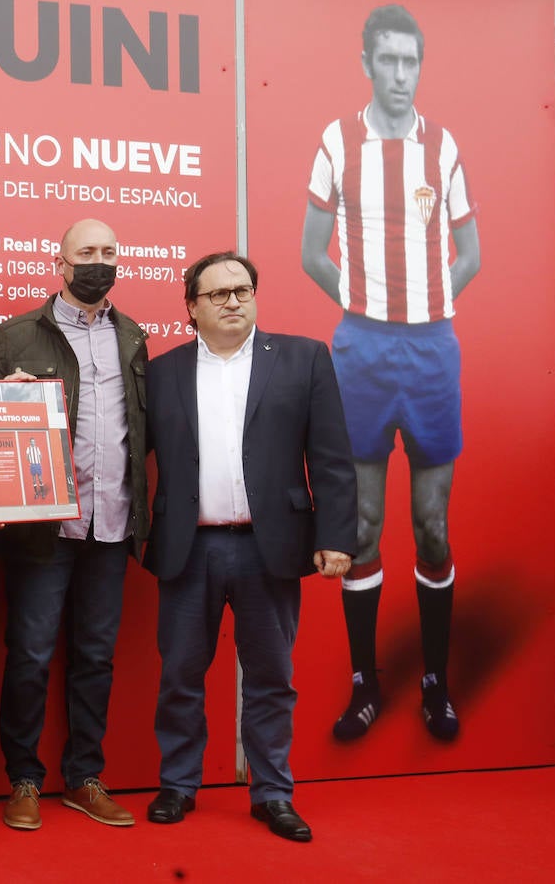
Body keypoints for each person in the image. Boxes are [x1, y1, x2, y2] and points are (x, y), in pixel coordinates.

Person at [300, 4, 481, 742]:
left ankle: (435, 681)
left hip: (432, 349)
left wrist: (428, 304)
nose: (401, 75)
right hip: (362, 351)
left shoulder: (443, 148)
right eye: (389, 61)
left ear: (420, 65)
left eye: (412, 61)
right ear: (367, 62)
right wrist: (368, 302)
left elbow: (470, 253)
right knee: (365, 522)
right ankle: (365, 683)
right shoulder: (338, 143)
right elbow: (313, 252)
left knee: (431, 523)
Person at [143, 252, 357, 842]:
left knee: (270, 677)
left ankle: (272, 793)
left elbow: (333, 458)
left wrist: (338, 536)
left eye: (243, 289)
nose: (233, 301)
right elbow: (130, 458)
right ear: (191, 308)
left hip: (272, 548)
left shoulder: (303, 359)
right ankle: (179, 785)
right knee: (181, 675)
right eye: (217, 294)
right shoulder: (162, 372)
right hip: (191, 549)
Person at [0, 217, 148, 832]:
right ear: (60, 262)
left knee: (96, 657)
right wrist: (2, 395)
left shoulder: (131, 335)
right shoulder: (19, 334)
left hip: (113, 525)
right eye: (86, 253)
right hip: (44, 527)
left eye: (109, 251)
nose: (98, 262)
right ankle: (24, 778)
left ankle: (83, 778)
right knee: (28, 653)